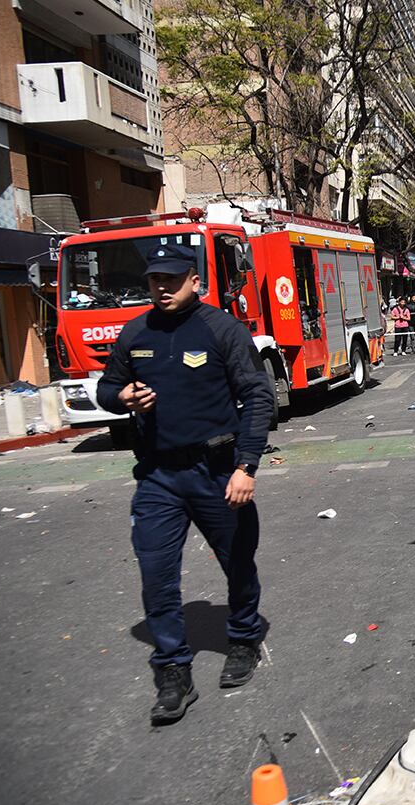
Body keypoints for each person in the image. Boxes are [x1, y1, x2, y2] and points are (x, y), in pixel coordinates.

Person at [96, 243, 273, 724]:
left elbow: (259, 397)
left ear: (195, 281)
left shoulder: (221, 329)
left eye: (173, 279)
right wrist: (122, 396)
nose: (163, 287)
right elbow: (106, 388)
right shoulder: (135, 333)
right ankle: (173, 668)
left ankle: (242, 637)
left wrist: (246, 466)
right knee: (156, 575)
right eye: (155, 279)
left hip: (218, 470)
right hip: (157, 476)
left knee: (238, 562)